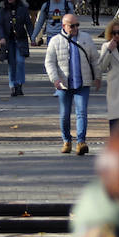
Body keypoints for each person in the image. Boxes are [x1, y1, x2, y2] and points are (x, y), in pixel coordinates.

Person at [44, 13, 100, 156]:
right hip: (64, 84)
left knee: (81, 112)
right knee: (65, 115)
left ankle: (81, 142)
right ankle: (66, 140)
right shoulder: (55, 41)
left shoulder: (86, 38)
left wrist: (98, 77)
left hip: (83, 83)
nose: (75, 28)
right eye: (72, 26)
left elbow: (94, 59)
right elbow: (49, 62)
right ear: (64, 26)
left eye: (77, 25)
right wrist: (55, 79)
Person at [0, 0, 31, 97]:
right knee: (12, 63)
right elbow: (0, 25)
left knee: (20, 61)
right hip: (9, 40)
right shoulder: (4, 9)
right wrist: (1, 37)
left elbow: (28, 23)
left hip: (20, 39)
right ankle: (12, 85)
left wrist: (33, 36)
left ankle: (19, 84)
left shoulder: (23, 9)